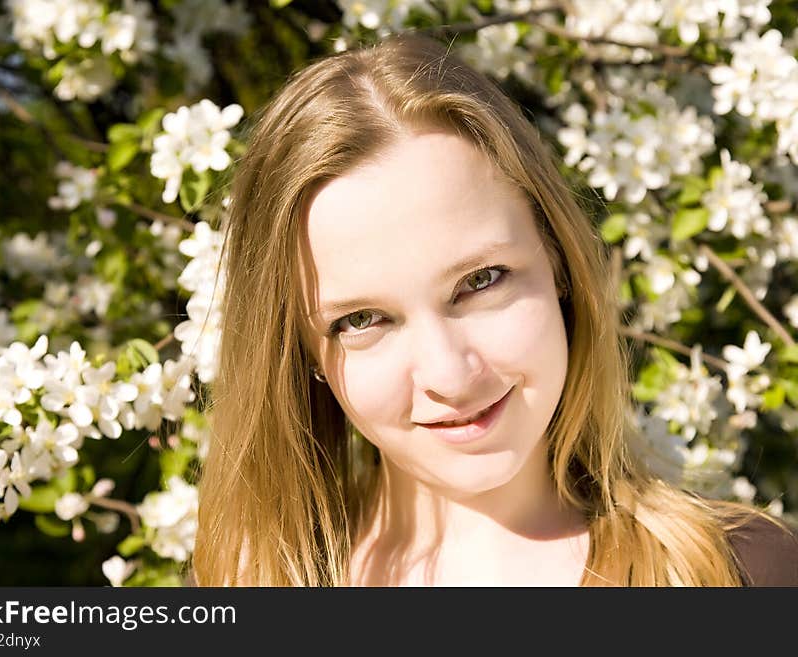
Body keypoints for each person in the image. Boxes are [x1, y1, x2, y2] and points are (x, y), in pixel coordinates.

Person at [191, 33, 798, 586]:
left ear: (558, 259)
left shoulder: (738, 575)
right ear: (300, 350)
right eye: (362, 320)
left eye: (481, 281)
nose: (450, 376)